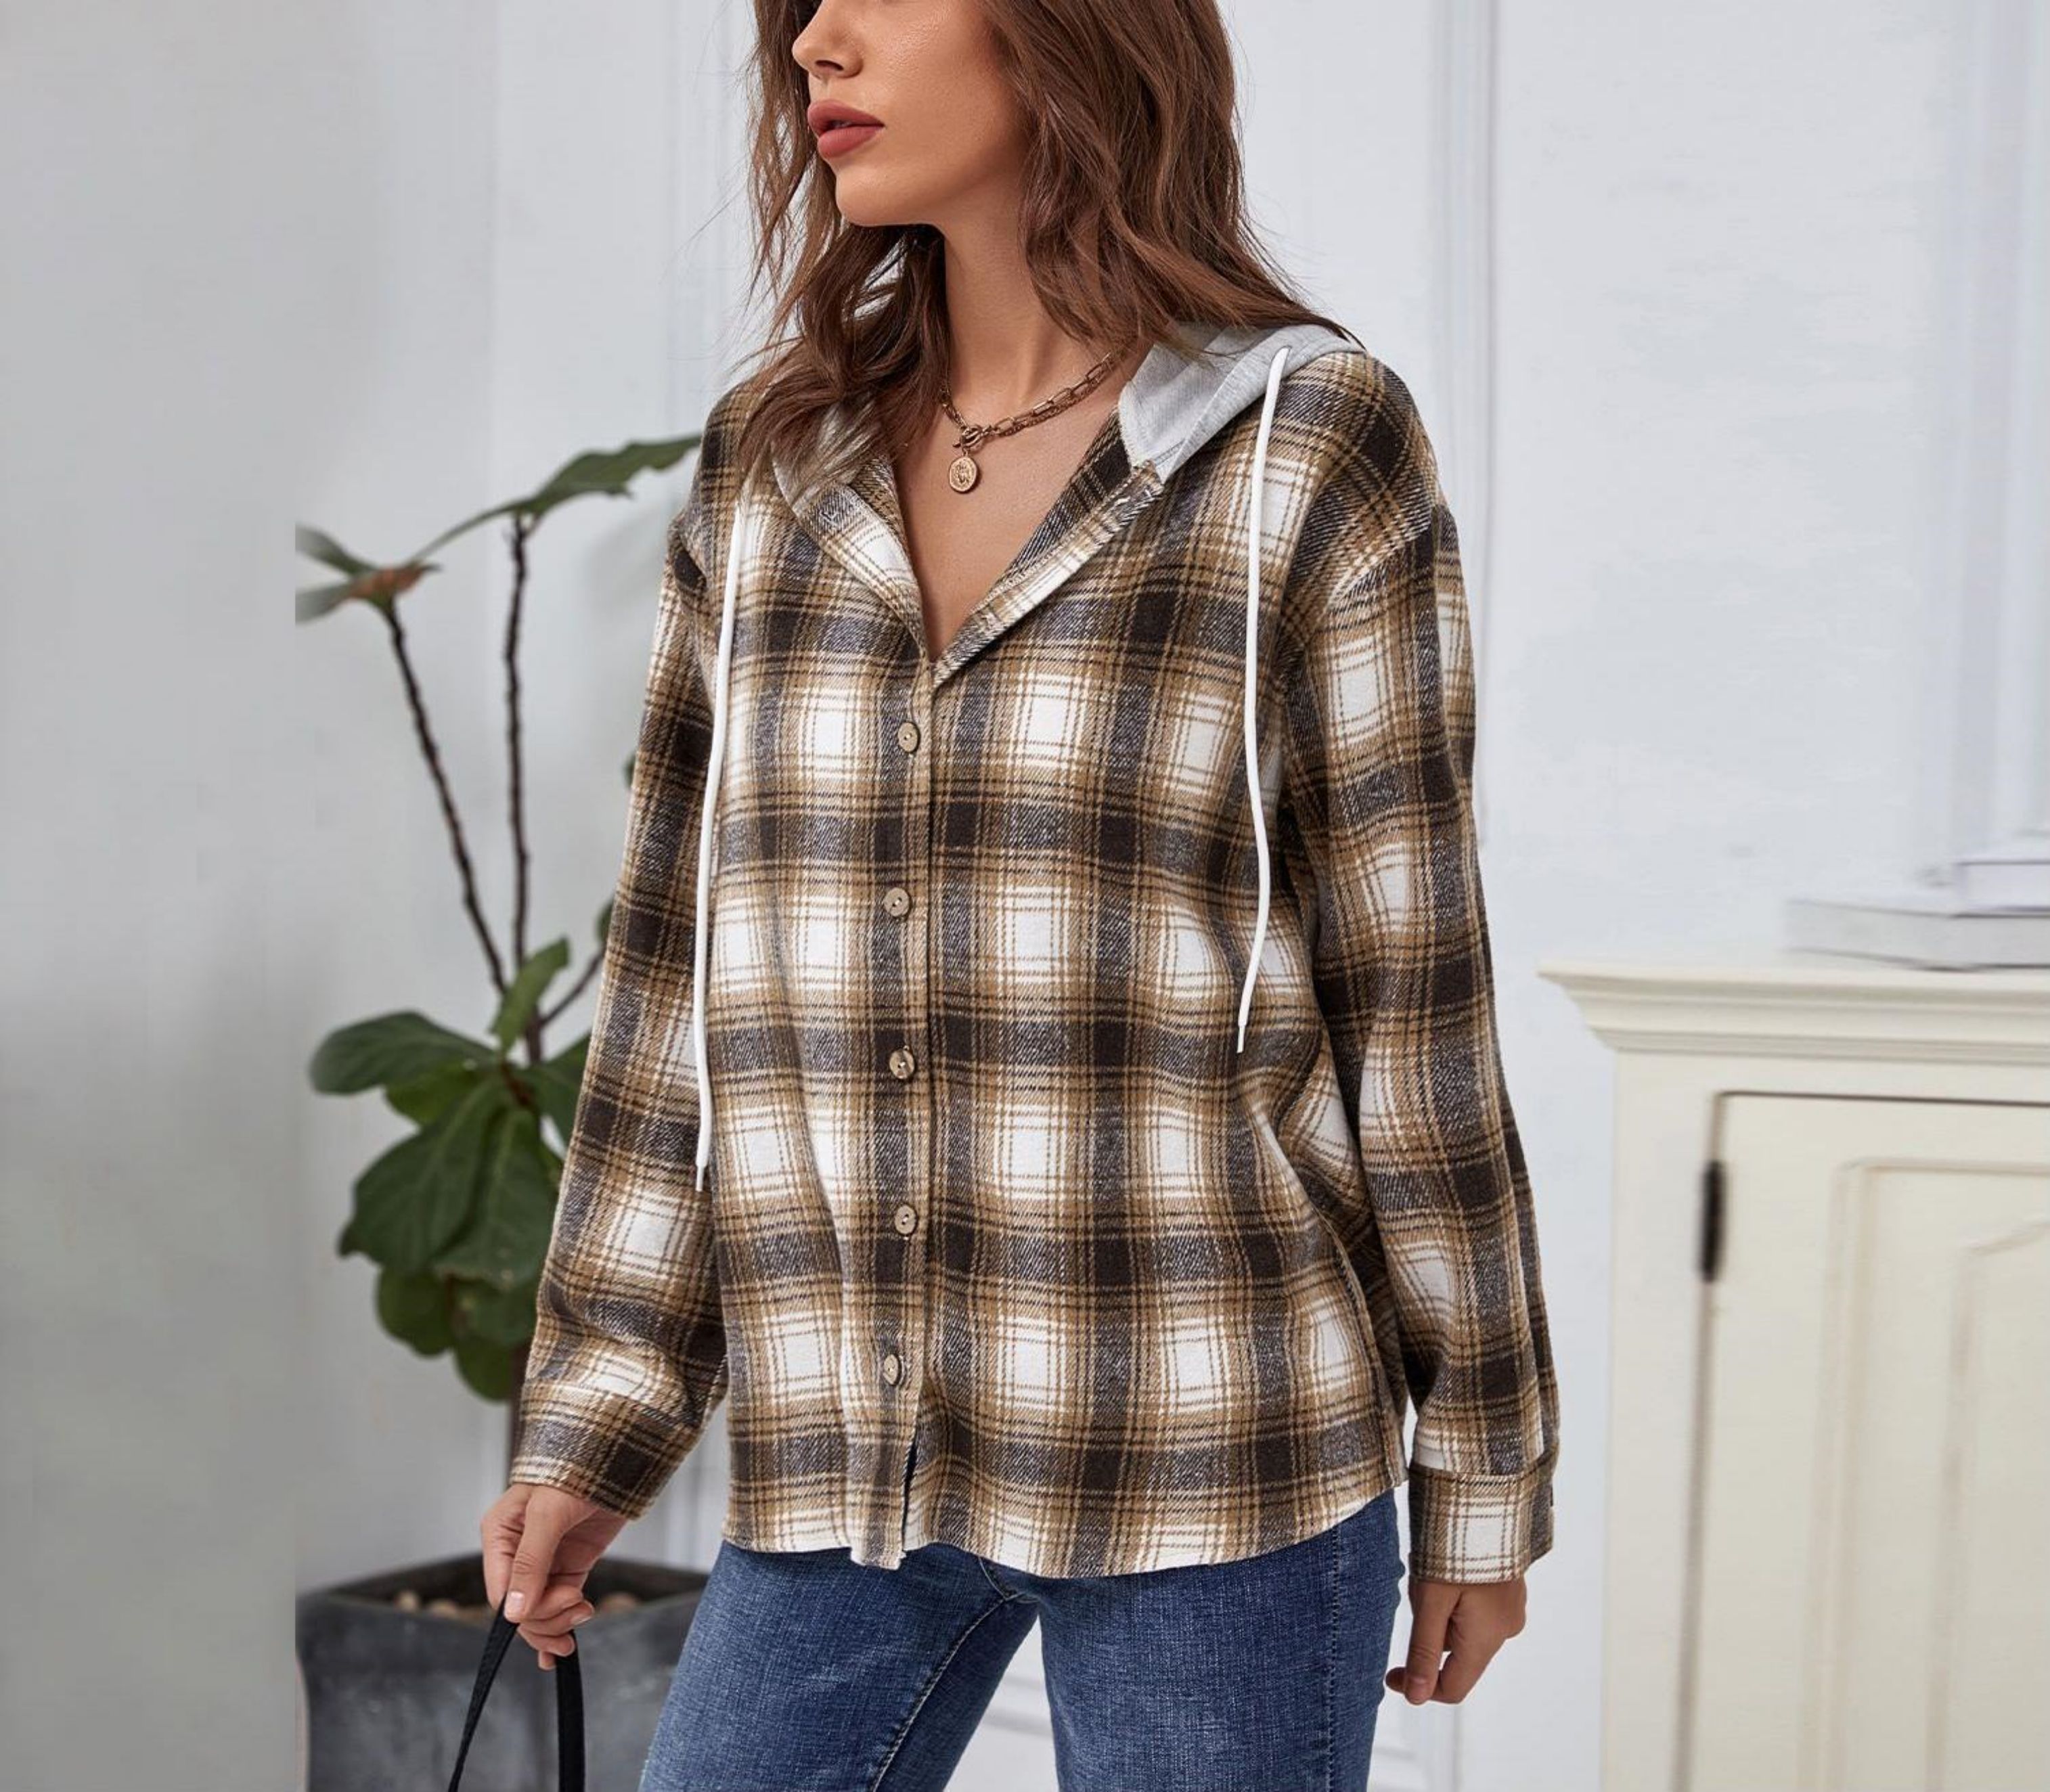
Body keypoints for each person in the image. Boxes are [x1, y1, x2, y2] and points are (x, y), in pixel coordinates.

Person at [479, 0, 1561, 1785]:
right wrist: (604, 1408)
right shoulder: (774, 465)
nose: (817, 45)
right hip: (850, 1445)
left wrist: (1480, 1469)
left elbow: (1413, 989)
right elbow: (675, 976)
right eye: (801, 8)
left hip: (1220, 1444)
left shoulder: (1301, 439)